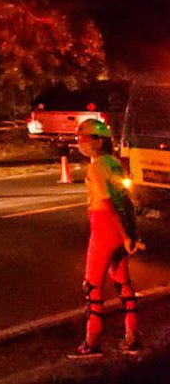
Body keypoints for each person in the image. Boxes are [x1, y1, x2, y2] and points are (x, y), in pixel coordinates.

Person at [67, 118, 144, 358]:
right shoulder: (114, 164)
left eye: (84, 138)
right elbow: (127, 201)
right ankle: (132, 337)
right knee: (123, 284)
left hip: (104, 230)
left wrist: (123, 233)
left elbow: (108, 205)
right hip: (119, 233)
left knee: (92, 287)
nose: (80, 143)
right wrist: (131, 235)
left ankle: (91, 342)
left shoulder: (97, 167)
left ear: (98, 142)